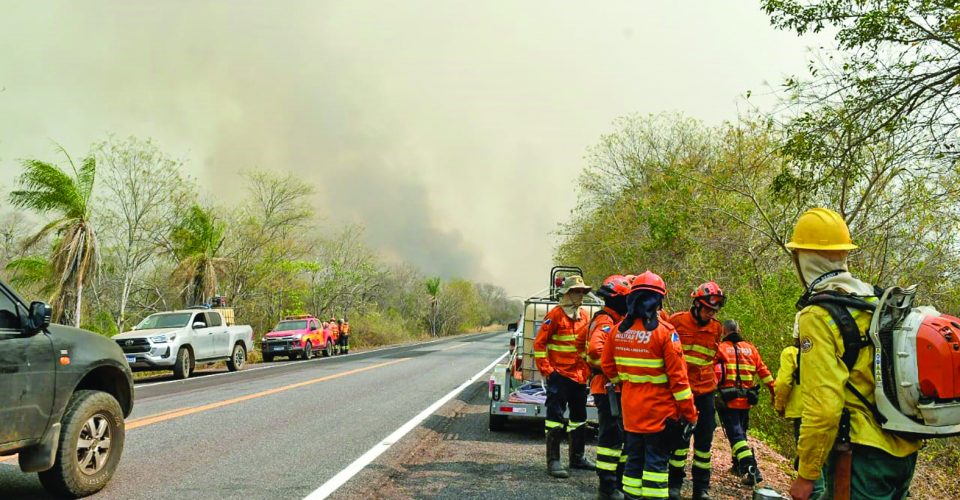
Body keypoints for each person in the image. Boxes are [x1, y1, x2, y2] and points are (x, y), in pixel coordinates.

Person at [785, 208, 920, 500]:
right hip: (903, 452)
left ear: (803, 259)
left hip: (860, 457)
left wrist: (807, 475)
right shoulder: (875, 300)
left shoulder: (818, 315)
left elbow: (823, 408)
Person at [602, 271, 698, 500]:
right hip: (660, 416)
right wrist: (690, 413)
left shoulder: (617, 331)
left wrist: (626, 384)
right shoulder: (665, 333)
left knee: (633, 464)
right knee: (655, 468)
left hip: (631, 413)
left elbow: (607, 366)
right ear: (657, 301)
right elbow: (679, 381)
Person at [666, 282, 726, 500]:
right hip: (683, 391)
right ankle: (674, 484)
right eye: (707, 309)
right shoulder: (676, 321)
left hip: (705, 392)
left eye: (714, 311)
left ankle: (701, 488)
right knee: (679, 442)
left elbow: (713, 357)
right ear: (697, 304)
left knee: (704, 444)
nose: (710, 314)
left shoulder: (716, 328)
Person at [534, 274, 595, 478]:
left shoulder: (584, 316)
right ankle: (554, 462)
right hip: (559, 376)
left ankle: (577, 458)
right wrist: (548, 370)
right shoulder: (555, 315)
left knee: (579, 418)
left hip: (579, 377)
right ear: (567, 294)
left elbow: (587, 345)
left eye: (582, 292)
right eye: (577, 291)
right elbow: (539, 344)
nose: (580, 295)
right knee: (555, 419)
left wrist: (588, 370)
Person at [587, 274, 633, 500]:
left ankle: (618, 483)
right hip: (608, 388)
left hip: (613, 388)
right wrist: (618, 369)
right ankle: (606, 488)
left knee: (620, 437)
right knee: (610, 439)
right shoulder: (606, 321)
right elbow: (596, 351)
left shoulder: (616, 319)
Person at [714, 319, 775, 486]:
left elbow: (711, 372)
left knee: (736, 435)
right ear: (738, 329)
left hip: (729, 399)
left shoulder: (719, 349)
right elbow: (764, 372)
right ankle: (737, 466)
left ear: (723, 332)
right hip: (747, 399)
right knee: (741, 432)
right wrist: (774, 391)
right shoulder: (751, 349)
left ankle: (750, 467)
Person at [774, 331, 824, 499]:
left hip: (803, 414)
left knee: (808, 460)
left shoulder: (791, 353)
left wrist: (779, 405)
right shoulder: (828, 353)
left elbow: (783, 383)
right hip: (830, 413)